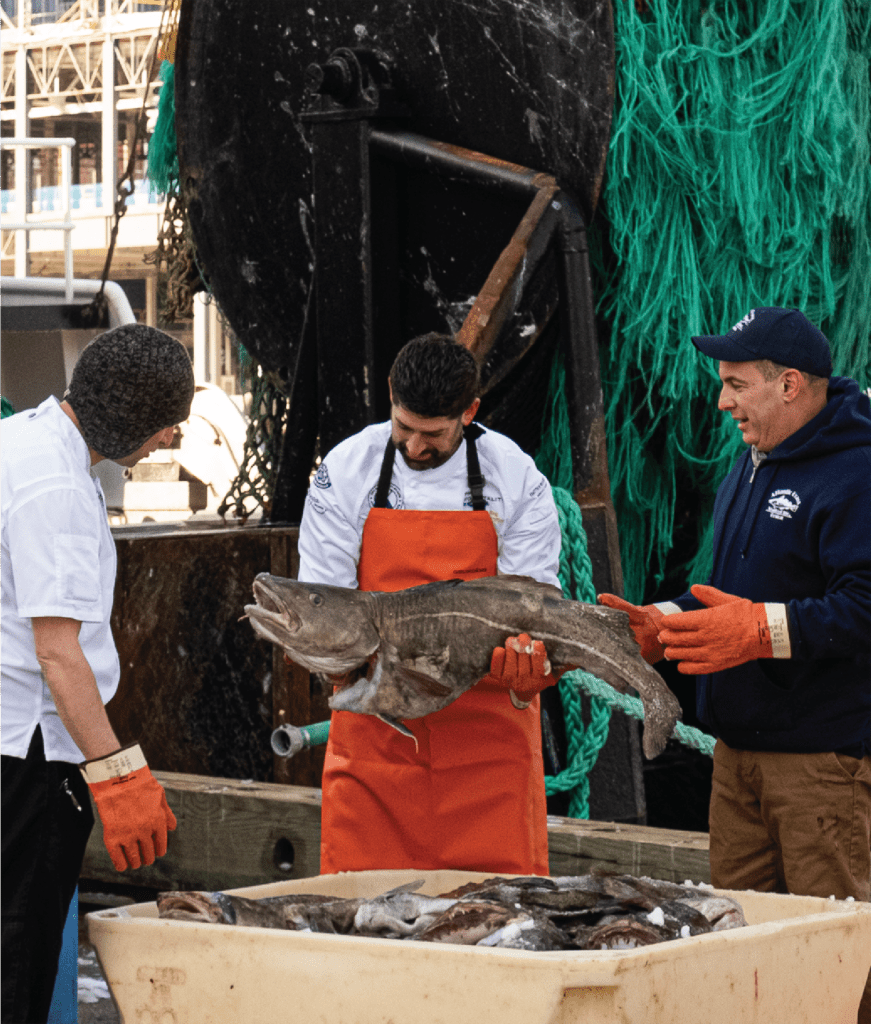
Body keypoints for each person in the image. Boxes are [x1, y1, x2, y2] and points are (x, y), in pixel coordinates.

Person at [599, 306, 871, 1020]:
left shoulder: (859, 472)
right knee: (737, 952)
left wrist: (756, 632)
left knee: (833, 961)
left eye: (734, 384)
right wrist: (663, 620)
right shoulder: (747, 466)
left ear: (788, 385)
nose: (721, 402)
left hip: (823, 769)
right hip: (735, 759)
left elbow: (863, 608)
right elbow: (731, 594)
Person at [296, 333, 563, 875]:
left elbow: (535, 608)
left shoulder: (518, 479)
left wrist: (532, 665)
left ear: (470, 411)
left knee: (498, 932)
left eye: (434, 435)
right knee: (364, 929)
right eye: (405, 428)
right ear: (391, 395)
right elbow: (326, 608)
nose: (416, 447)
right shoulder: (344, 471)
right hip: (376, 747)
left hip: (489, 753)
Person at [1, 323, 195, 1024]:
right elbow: (56, 651)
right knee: (16, 956)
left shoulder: (23, 438)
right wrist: (118, 776)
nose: (169, 440)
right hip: (27, 756)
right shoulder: (54, 484)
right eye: (167, 425)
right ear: (131, 420)